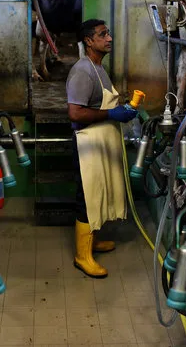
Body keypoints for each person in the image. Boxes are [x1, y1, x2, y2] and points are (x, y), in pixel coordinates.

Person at [65, 19, 138, 278]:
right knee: (87, 197)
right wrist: (111, 114)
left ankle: (93, 241)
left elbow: (98, 103)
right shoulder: (83, 71)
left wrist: (124, 105)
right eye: (103, 34)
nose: (109, 38)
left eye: (108, 33)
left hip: (99, 142)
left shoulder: (99, 68)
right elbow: (75, 113)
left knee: (98, 193)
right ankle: (82, 256)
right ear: (88, 41)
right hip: (87, 143)